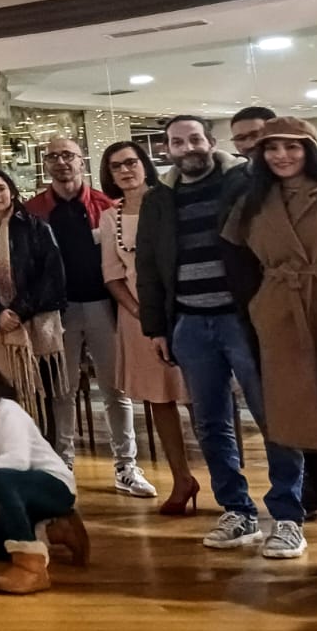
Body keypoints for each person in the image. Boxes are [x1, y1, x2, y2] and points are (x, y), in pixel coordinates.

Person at [137, 115, 305, 555]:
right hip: (189, 324)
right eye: (178, 142)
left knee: (274, 419)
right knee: (211, 423)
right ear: (166, 150)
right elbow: (149, 267)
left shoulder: (246, 183)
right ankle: (238, 512)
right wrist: (155, 327)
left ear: (211, 142)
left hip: (245, 319)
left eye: (195, 138)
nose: (187, 147)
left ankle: (288, 517)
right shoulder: (159, 199)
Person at [223, 117, 317, 564]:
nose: (282, 156)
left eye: (292, 147)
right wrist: (258, 315)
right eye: (272, 148)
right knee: (311, 433)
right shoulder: (251, 203)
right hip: (282, 321)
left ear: (310, 150)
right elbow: (239, 269)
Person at [25, 137, 151, 494]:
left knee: (116, 389)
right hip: (57, 313)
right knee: (60, 391)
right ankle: (62, 464)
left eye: (68, 156)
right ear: (45, 164)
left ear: (82, 161)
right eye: (53, 157)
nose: (61, 162)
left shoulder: (106, 205)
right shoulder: (33, 210)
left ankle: (126, 465)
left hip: (103, 306)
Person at [98, 142, 198, 515]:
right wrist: (142, 313)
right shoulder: (112, 218)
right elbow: (111, 275)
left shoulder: (169, 202)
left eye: (131, 162)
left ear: (144, 165)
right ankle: (181, 478)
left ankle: (227, 484)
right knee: (159, 400)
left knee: (199, 397)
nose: (125, 170)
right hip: (138, 318)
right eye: (116, 166)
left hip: (184, 309)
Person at [0, 354, 87, 596]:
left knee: (1, 476)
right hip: (21, 494)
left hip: (54, 487)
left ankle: (31, 567)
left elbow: (18, 462)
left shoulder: (9, 411)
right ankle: (57, 531)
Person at [0, 168, 67, 447]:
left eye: (1, 188)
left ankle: (45, 460)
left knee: (41, 398)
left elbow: (52, 278)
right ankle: (14, 461)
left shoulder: (37, 227)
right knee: (4, 401)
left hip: (36, 329)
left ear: (12, 191)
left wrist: (19, 311)